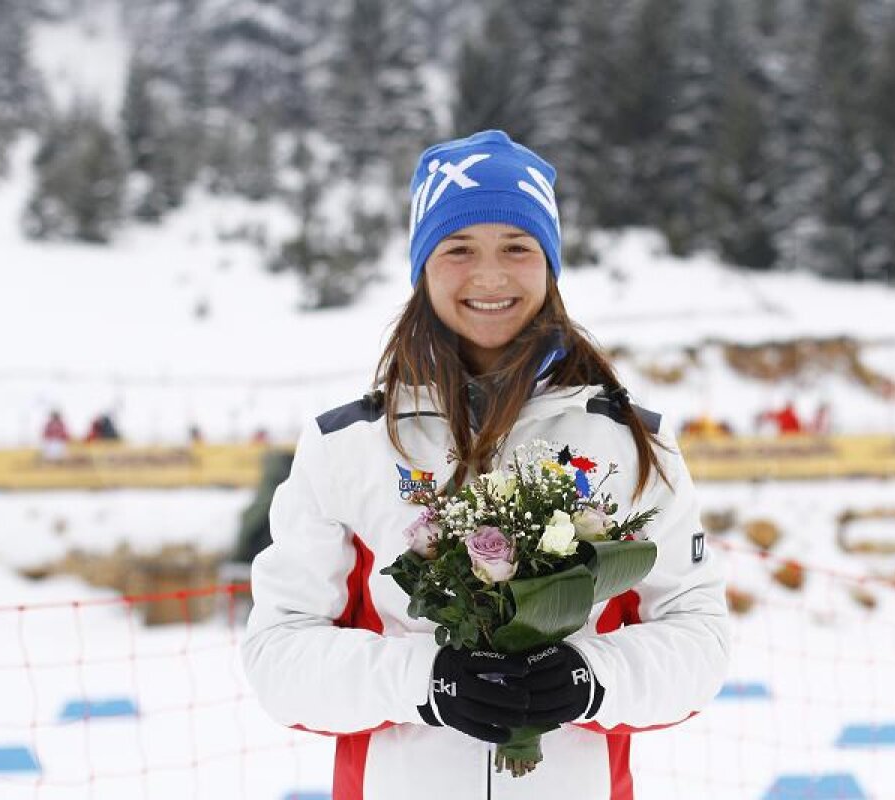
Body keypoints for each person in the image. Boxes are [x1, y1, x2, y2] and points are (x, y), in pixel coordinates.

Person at [242, 130, 730, 799]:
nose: (490, 276)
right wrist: (426, 683)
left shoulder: (633, 445)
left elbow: (699, 635)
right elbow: (279, 653)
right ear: (422, 266)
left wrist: (591, 680)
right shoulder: (347, 446)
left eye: (517, 247)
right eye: (459, 248)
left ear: (549, 264)